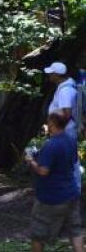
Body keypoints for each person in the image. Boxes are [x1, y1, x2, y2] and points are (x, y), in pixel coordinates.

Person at [18, 113, 86, 252]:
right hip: (71, 193)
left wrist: (30, 161)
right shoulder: (70, 140)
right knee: (75, 229)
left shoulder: (51, 145)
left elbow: (43, 170)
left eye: (48, 121)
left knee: (38, 230)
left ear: (53, 123)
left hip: (52, 197)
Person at [45, 61, 83, 194]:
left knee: (70, 160)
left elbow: (66, 113)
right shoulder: (66, 87)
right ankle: (69, 188)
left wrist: (56, 129)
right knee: (68, 158)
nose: (49, 75)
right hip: (65, 130)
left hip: (65, 130)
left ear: (57, 74)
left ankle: (74, 189)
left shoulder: (65, 91)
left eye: (51, 73)